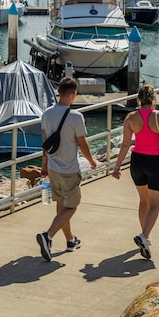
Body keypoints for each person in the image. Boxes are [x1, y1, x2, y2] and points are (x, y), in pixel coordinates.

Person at [111, 83, 159, 260]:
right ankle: (143, 236)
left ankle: (145, 237)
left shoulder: (131, 117)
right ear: (154, 98)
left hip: (137, 162)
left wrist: (117, 167)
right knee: (155, 204)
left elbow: (125, 144)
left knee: (143, 200)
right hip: (156, 162)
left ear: (138, 99)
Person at [35, 77, 97, 262]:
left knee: (61, 206)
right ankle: (48, 236)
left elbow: (45, 143)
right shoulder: (76, 117)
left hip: (53, 167)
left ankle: (70, 240)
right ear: (73, 94)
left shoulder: (46, 114)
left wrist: (44, 164)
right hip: (69, 169)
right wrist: (92, 161)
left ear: (58, 93)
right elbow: (82, 144)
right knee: (71, 206)